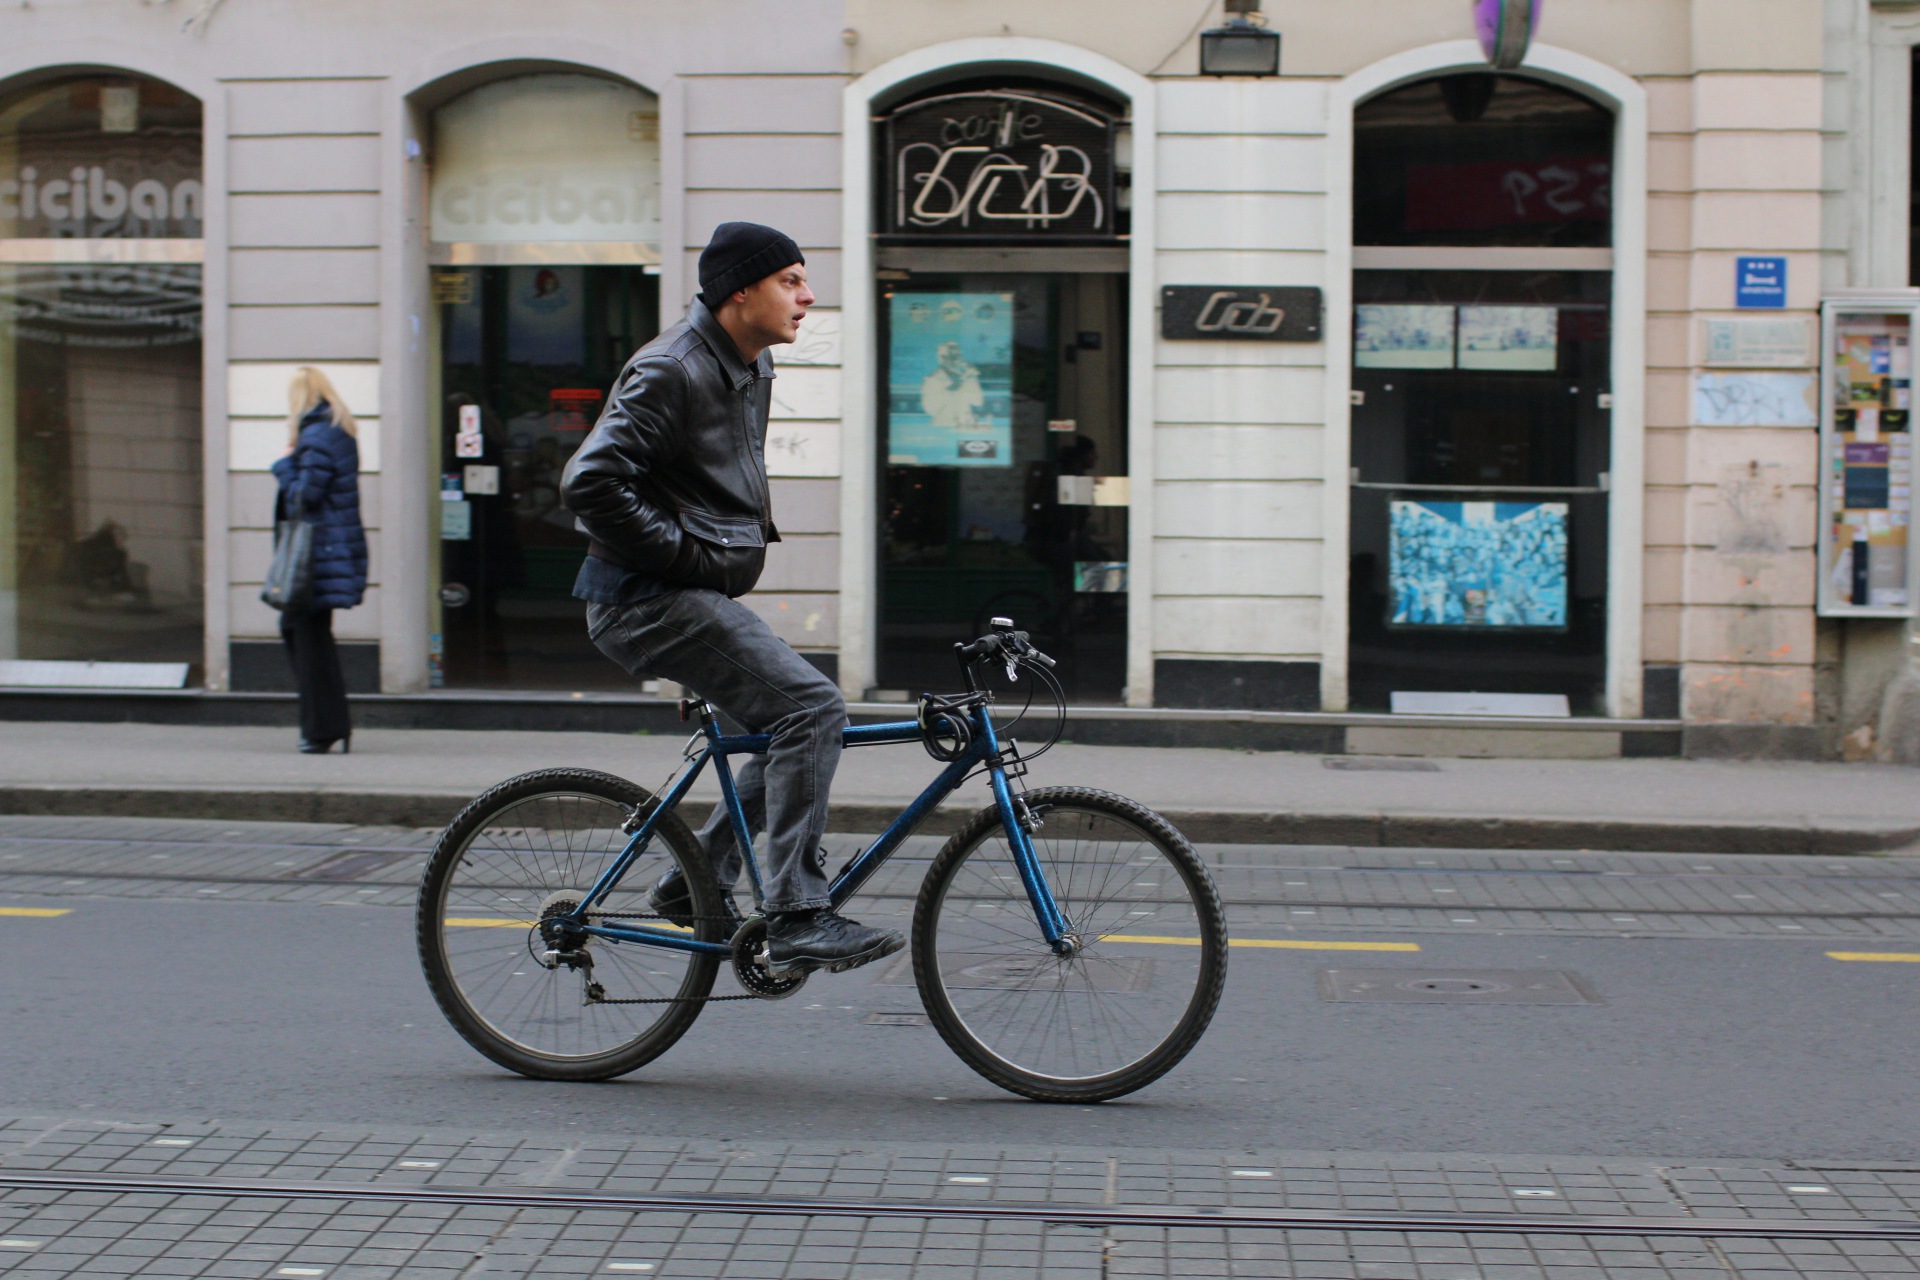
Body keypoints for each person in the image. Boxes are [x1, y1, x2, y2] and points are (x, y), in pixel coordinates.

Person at [561, 222, 903, 975]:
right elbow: (590, 483)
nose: (807, 296)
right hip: (644, 599)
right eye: (790, 280)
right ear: (740, 292)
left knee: (783, 722)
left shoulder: (750, 365)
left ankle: (695, 881)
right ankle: (797, 913)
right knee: (813, 709)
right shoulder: (672, 369)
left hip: (683, 595)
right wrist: (686, 557)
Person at [271, 367, 368, 754]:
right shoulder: (337, 430)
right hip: (328, 552)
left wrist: (284, 465)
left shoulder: (316, 436)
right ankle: (328, 725)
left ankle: (323, 729)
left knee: (305, 635)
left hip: (315, 556)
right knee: (309, 634)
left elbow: (304, 496)